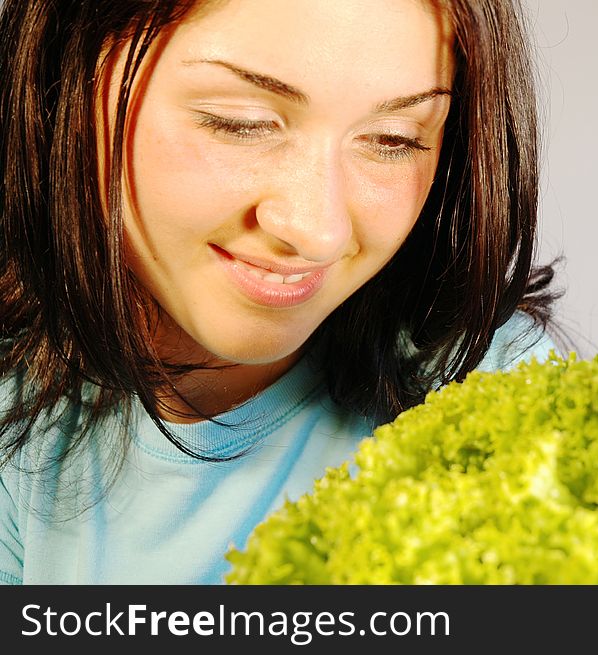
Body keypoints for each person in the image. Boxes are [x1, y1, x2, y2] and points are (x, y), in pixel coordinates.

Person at [0, 0, 562, 584]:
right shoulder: (18, 425)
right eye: (239, 121)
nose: (319, 231)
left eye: (393, 139)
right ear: (63, 76)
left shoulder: (491, 389)